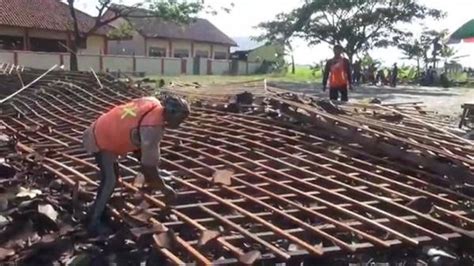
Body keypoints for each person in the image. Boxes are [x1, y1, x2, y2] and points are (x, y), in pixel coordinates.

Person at [82, 95, 190, 233]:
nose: (180, 123)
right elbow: (148, 167)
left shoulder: (152, 102)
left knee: (147, 160)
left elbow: (137, 127)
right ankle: (93, 221)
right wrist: (164, 189)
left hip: (104, 127)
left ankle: (98, 210)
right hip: (100, 139)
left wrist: (154, 173)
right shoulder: (152, 129)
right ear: (170, 113)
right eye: (180, 119)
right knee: (110, 181)